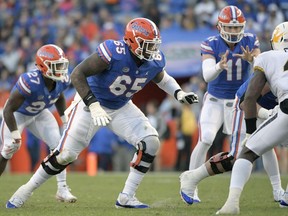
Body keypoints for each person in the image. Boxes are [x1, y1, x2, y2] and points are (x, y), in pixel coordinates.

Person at [6, 17, 199, 209]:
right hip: (90, 104)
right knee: (65, 155)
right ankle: (25, 190)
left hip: (121, 105)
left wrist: (179, 93)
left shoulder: (153, 59)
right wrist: (93, 104)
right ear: (132, 41)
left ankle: (126, 197)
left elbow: (161, 77)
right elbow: (77, 74)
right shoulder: (113, 52)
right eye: (146, 44)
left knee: (151, 141)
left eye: (153, 45)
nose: (152, 50)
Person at [188, 5, 261, 202]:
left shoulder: (250, 40)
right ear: (220, 27)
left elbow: (262, 68)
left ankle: (276, 188)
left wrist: (252, 61)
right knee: (206, 139)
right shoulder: (211, 43)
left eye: (237, 28)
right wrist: (219, 66)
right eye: (230, 27)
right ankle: (189, 185)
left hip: (238, 102)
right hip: (215, 100)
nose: (234, 31)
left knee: (252, 143)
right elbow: (207, 75)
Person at [216, 21, 288, 214]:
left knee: (247, 152)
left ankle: (232, 204)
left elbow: (249, 97)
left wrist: (250, 132)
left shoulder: (268, 57)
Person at [180, 74, 283, 205]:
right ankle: (192, 177)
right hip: (246, 106)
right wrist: (268, 114)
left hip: (268, 109)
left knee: (267, 146)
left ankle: (278, 191)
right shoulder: (274, 71)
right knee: (238, 157)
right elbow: (248, 101)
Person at [0, 44, 77, 204]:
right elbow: (8, 109)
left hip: (39, 113)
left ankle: (62, 189)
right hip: (17, 115)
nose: (61, 69)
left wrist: (64, 118)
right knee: (7, 150)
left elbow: (59, 95)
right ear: (43, 66)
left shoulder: (61, 79)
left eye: (62, 65)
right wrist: (15, 135)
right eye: (56, 66)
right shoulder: (30, 81)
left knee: (59, 146)